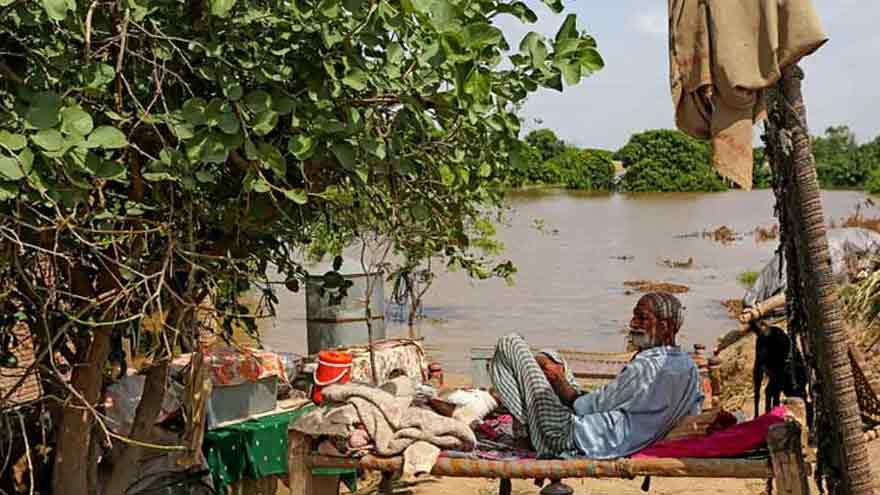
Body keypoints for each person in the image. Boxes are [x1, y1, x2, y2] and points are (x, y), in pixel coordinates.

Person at [487, 292, 704, 458]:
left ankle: (528, 431)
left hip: (571, 436)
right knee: (551, 356)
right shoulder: (689, 368)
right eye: (634, 317)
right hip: (607, 434)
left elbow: (588, 407)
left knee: (510, 344)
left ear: (665, 327)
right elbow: (692, 412)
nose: (633, 324)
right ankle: (529, 424)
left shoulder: (646, 366)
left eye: (642, 318)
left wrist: (560, 381)